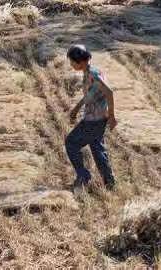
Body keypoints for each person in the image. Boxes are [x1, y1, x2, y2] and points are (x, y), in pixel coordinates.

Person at [65, 44, 117, 191]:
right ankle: (110, 182)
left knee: (71, 143)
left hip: (94, 120)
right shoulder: (89, 72)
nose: (71, 65)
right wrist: (76, 108)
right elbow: (90, 94)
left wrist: (112, 117)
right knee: (97, 149)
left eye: (72, 62)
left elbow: (109, 92)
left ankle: (83, 176)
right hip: (96, 118)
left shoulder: (94, 74)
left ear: (80, 62)